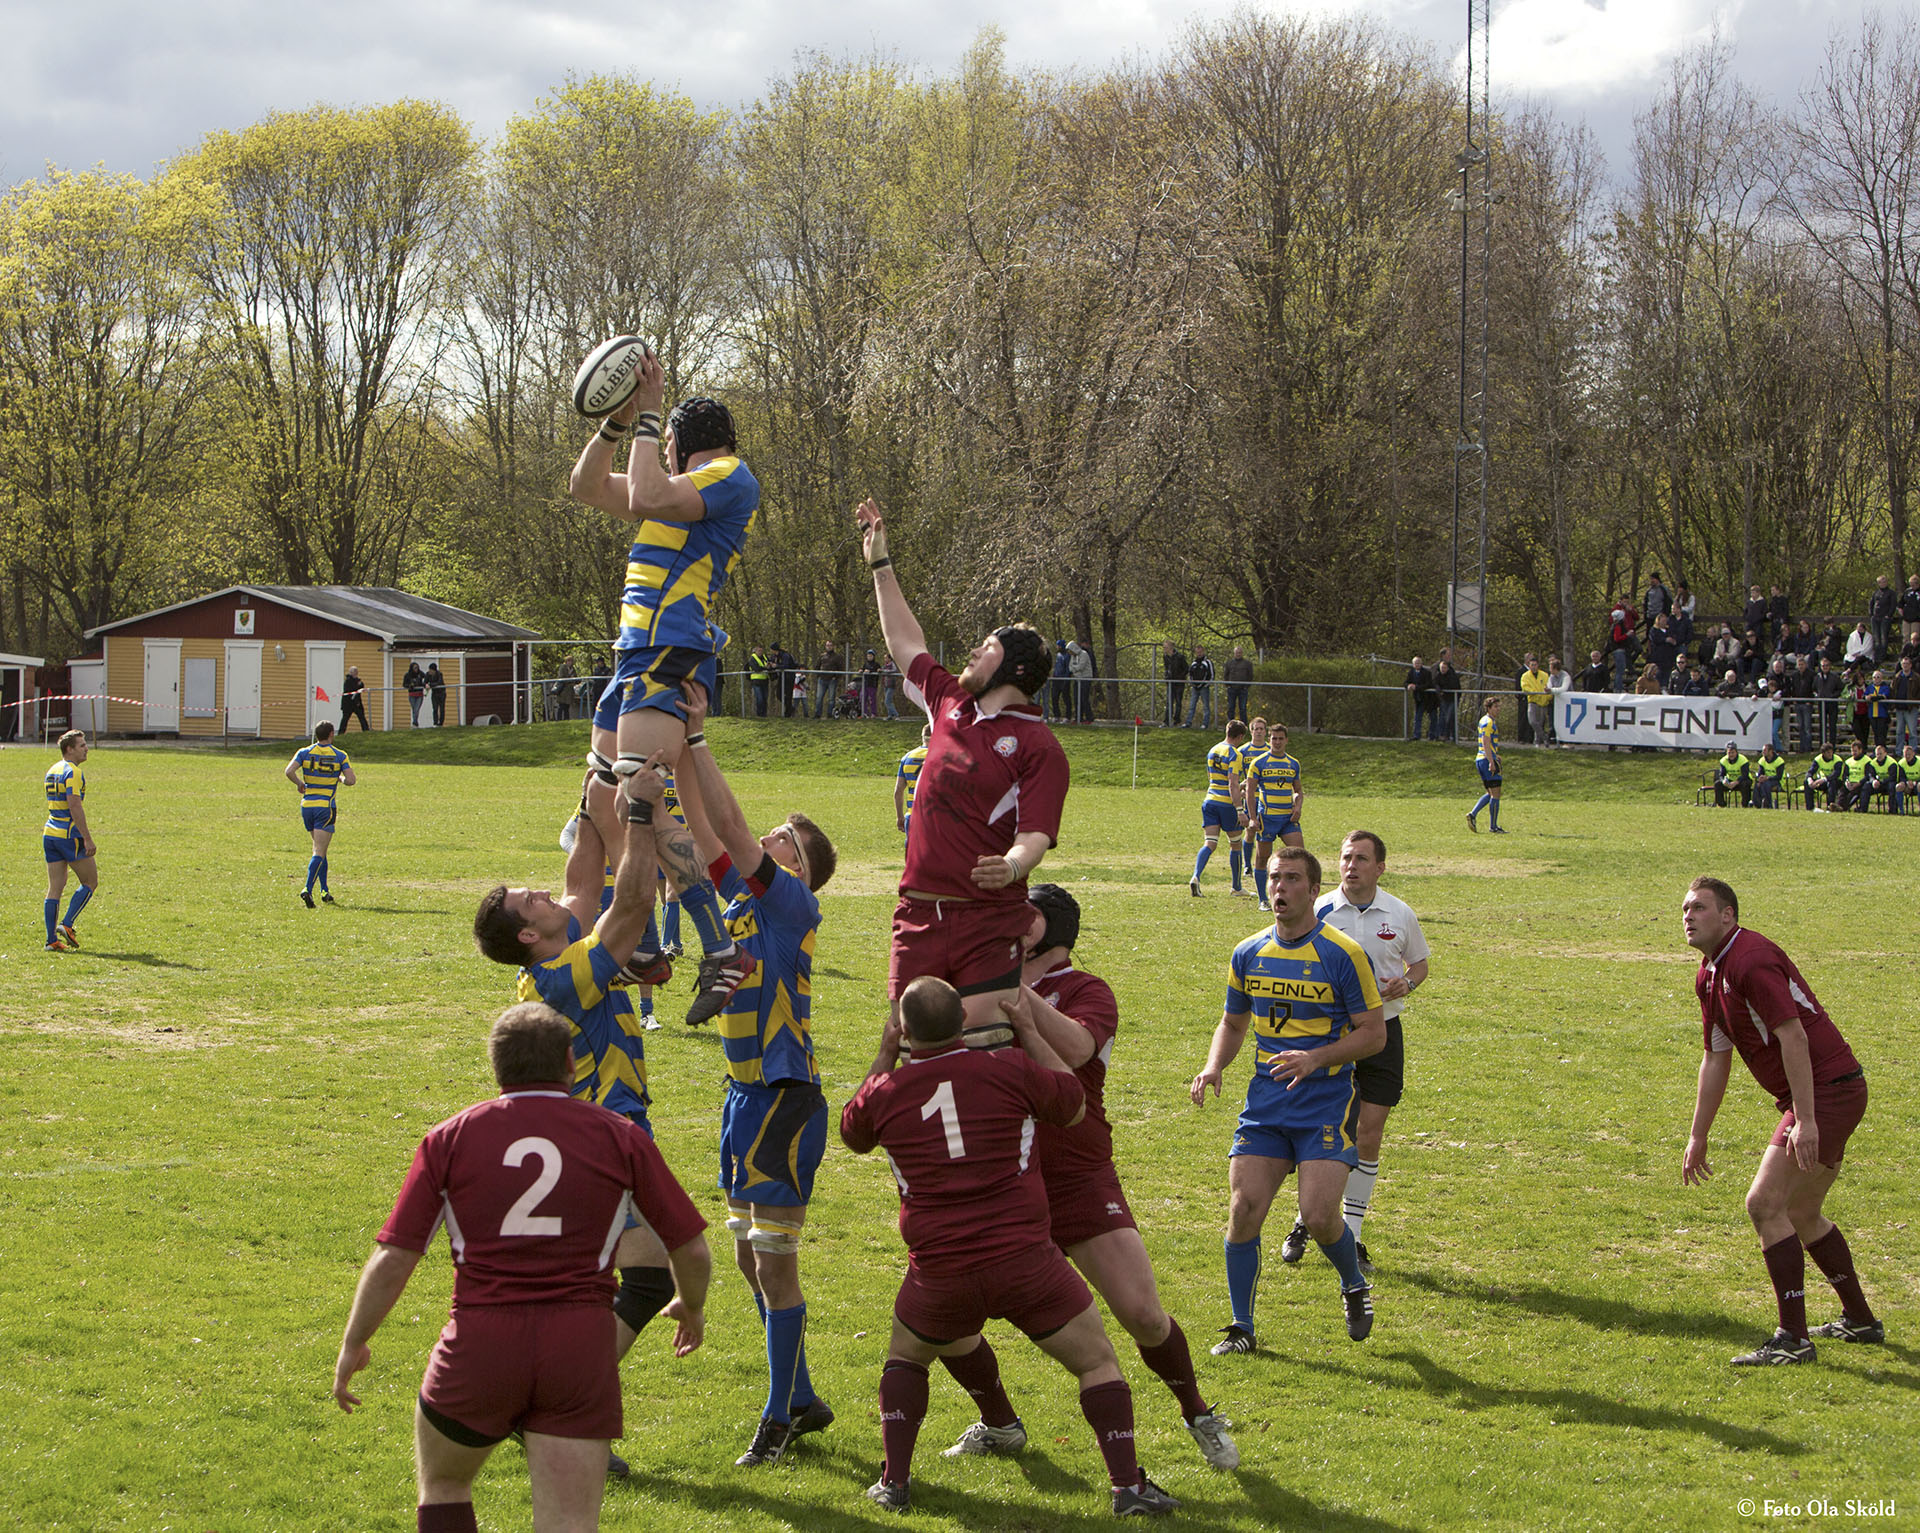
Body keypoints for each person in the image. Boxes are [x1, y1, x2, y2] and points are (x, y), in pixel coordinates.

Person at [330, 1002, 711, 1533]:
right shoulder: (620, 1135)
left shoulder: (450, 1138)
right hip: (579, 1351)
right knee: (569, 1522)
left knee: (444, 1489)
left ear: (497, 1067)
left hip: (480, 1344)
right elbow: (691, 1248)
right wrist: (691, 1306)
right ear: (570, 1063)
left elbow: (395, 1257)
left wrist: (355, 1341)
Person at [839, 976, 1179, 1516]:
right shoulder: (1009, 1068)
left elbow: (852, 1133)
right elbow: (1073, 1104)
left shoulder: (884, 1094)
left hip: (941, 1271)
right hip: (1026, 1262)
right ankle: (1126, 1487)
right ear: (964, 1021)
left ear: (903, 1030)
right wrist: (1030, 1031)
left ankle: (894, 1483)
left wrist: (884, 1054)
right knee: (1097, 1363)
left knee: (906, 1358)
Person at [938, 885, 1238, 1470]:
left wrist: (1014, 992)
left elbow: (1077, 1050)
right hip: (997, 1181)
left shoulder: (1085, 989)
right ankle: (999, 1422)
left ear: (1043, 928)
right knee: (942, 1314)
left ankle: (1198, 1413)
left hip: (1075, 1175)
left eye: (1017, 918)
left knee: (1143, 1314)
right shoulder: (979, 987)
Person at [672, 680, 839, 1466]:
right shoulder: (741, 898)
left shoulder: (793, 904)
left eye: (787, 838)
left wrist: (698, 738)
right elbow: (704, 826)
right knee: (747, 1254)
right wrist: (671, 752)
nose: (772, 835)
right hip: (741, 1097)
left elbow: (732, 827)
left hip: (783, 1099)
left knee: (776, 1264)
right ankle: (800, 1396)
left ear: (799, 868)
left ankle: (776, 1419)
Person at [566, 373, 759, 1024]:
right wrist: (616, 423)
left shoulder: (728, 474)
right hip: (635, 654)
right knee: (602, 797)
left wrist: (649, 415)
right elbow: (586, 486)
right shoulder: (674, 492)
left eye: (664, 439)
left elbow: (647, 489)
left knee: (643, 798)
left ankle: (720, 948)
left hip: (668, 649)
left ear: (677, 440)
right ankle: (645, 943)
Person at [856, 497, 1069, 1044]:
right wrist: (881, 565)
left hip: (986, 920)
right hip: (918, 914)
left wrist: (1013, 867)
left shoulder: (1038, 745)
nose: (973, 651)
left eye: (987, 646)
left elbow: (1034, 835)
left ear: (1014, 667)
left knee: (982, 1047)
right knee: (911, 1046)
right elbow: (906, 644)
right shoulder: (950, 702)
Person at [1190, 847, 1385, 1354]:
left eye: (1292, 878)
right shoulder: (1248, 951)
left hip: (1325, 1101)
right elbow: (1233, 1022)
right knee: (1243, 1210)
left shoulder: (1343, 955)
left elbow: (1373, 1034)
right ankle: (1242, 1328)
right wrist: (1214, 1065)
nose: (1279, 887)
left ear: (1314, 890)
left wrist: (1315, 1059)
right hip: (1267, 1102)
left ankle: (1353, 1283)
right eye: (1274, 877)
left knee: (1318, 1216)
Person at [1679, 878, 1881, 1365]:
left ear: (1728, 915)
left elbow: (1794, 1037)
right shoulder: (1709, 974)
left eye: (1699, 907)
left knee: (1765, 1204)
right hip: (1830, 1091)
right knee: (1802, 1212)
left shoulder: (1750, 959)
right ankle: (1859, 1321)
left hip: (1828, 1091)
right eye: (1684, 908)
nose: (1687, 916)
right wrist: (1698, 1135)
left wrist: (1805, 1120)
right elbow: (1716, 1058)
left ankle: (1793, 1339)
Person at [1272, 832, 1429, 1278]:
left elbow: (1419, 964)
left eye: (1361, 858)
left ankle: (1353, 1234)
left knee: (1368, 1132)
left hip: (1383, 1033)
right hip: (1330, 1035)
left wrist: (1406, 983)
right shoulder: (1318, 909)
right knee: (1324, 1130)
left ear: (1380, 867)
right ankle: (1307, 1218)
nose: (1351, 865)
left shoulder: (1399, 913)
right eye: (1345, 858)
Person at [285, 721, 356, 908]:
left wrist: (300, 783)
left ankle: (324, 891)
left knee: (320, 849)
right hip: (325, 807)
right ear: (331, 734)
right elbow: (351, 780)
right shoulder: (340, 755)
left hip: (307, 806)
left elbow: (289, 771)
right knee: (319, 851)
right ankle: (307, 889)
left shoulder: (304, 752)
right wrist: (340, 778)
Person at [41, 728, 98, 952]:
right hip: (68, 835)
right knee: (90, 881)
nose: (86, 749)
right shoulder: (72, 772)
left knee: (55, 887)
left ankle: (51, 941)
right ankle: (67, 924)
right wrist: (87, 838)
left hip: (50, 833)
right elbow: (74, 805)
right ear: (69, 749)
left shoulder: (52, 769)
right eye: (82, 745)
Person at [1243, 721, 1304, 911]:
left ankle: (1300, 897)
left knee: (1300, 856)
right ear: (1269, 740)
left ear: (1286, 740)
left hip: (1288, 819)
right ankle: (1263, 899)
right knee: (1263, 858)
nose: (1277, 742)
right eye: (1274, 738)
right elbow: (1250, 792)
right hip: (1267, 819)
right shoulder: (1258, 763)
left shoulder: (1293, 763)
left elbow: (1298, 790)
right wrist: (1253, 818)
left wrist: (1298, 807)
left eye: (1280, 739)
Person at [1189, 720, 1249, 898]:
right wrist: (1239, 809)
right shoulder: (1235, 754)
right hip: (1226, 804)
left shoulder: (1213, 750)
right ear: (1240, 736)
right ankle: (1236, 887)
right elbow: (1232, 783)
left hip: (1210, 801)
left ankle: (1196, 876)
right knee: (1236, 843)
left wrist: (1239, 788)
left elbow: (1213, 778)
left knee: (1210, 843)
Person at [1466, 695, 1505, 833]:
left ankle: (1472, 814)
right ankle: (1493, 827)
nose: (1498, 709)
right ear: (1488, 708)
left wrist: (1494, 755)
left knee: (1490, 793)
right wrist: (1491, 761)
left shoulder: (1484, 720)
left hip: (1481, 759)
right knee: (1496, 794)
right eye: (1495, 707)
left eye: (1499, 706)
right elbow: (1485, 742)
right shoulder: (1489, 722)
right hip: (1486, 760)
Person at [895, 724, 930, 854]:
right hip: (935, 816)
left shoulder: (907, 757)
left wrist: (900, 817)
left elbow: (898, 791)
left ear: (922, 737)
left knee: (912, 855)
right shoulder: (942, 756)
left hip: (912, 814)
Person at [1519, 655, 1550, 747]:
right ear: (1529, 665)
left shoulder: (1544, 675)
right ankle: (1544, 737)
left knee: (1540, 723)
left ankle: (1537, 742)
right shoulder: (1525, 676)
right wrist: (1534, 692)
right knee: (1532, 721)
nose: (1534, 667)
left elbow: (1548, 686)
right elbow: (1525, 687)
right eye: (1532, 665)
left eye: (1535, 665)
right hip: (1532, 701)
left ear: (1538, 665)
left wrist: (1548, 697)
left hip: (1543, 701)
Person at [1711, 743, 1752, 808]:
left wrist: (1736, 782)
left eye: (1733, 752)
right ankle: (1721, 805)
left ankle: (1745, 805)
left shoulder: (1743, 760)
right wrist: (1724, 781)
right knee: (1717, 784)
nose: (1731, 755)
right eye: (1729, 753)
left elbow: (1745, 775)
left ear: (1736, 752)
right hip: (1730, 781)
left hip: (1742, 780)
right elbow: (1721, 775)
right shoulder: (1723, 760)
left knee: (1745, 784)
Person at [1803, 744, 1842, 811]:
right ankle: (1810, 808)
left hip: (1836, 781)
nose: (1830, 754)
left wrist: (1824, 779)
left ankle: (1830, 808)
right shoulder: (1818, 759)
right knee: (1806, 782)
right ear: (1823, 753)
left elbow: (1836, 774)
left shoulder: (1837, 760)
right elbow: (1810, 772)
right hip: (1823, 782)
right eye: (1828, 752)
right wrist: (1810, 780)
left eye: (1831, 752)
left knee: (1832, 782)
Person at [1405, 656, 1435, 740]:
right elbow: (1406, 682)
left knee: (1432, 717)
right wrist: (1408, 686)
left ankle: (1432, 735)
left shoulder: (1427, 673)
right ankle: (1416, 735)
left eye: (1419, 663)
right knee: (1417, 717)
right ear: (1413, 664)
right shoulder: (1411, 672)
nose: (1417, 664)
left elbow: (1428, 684)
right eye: (1415, 663)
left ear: (1421, 664)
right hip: (1418, 698)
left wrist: (1417, 687)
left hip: (1428, 698)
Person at [1223, 645, 1254, 725]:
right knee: (1231, 707)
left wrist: (1246, 686)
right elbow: (1226, 675)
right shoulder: (1229, 663)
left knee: (1243, 708)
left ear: (1242, 653)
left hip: (1243, 689)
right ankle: (1230, 725)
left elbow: (1250, 676)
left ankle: (1243, 725)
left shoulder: (1247, 664)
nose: (1238, 654)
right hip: (1232, 689)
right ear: (1234, 653)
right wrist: (1228, 685)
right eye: (1237, 652)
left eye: (1240, 653)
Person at [1184, 645, 1214, 729]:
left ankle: (1205, 724)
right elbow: (1190, 675)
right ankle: (1188, 722)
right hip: (1194, 688)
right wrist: (1192, 684)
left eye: (1200, 652)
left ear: (1203, 651)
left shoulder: (1208, 662)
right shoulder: (1193, 663)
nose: (1199, 654)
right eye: (1197, 652)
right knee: (1192, 706)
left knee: (1206, 706)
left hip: (1204, 688)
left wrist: (1206, 685)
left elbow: (1211, 675)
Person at [1751, 744, 1788, 808]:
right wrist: (1760, 779)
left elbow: (1779, 776)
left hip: (1778, 781)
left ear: (1771, 751)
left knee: (1766, 784)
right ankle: (1757, 804)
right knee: (1757, 784)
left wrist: (1767, 778)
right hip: (1766, 780)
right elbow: (1760, 773)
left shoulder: (1779, 761)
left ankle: (1768, 804)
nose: (1763, 752)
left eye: (1765, 750)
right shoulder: (1762, 760)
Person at [1434, 652, 1461, 740]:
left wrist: (1443, 688)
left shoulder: (1452, 675)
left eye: (1444, 668)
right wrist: (1439, 690)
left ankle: (1451, 735)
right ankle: (1443, 735)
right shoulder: (1438, 675)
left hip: (1453, 699)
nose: (1443, 669)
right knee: (1443, 717)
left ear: (1447, 668)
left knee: (1450, 717)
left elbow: (1453, 685)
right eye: (1441, 668)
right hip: (1444, 699)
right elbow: (1435, 683)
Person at [1161, 640, 1187, 727]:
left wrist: (1180, 677)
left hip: (1179, 683)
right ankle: (1167, 721)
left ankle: (1177, 720)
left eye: (1165, 647)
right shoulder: (1165, 657)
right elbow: (1167, 668)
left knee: (1178, 702)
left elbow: (1186, 669)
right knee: (1169, 702)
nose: (1164, 649)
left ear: (1170, 647)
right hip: (1170, 682)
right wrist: (1166, 676)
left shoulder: (1180, 657)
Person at [812, 641, 841, 719]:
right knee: (819, 697)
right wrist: (818, 676)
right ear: (825, 646)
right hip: (822, 680)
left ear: (833, 646)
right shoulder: (822, 656)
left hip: (832, 680)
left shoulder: (837, 657)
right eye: (827, 645)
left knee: (831, 698)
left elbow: (841, 668)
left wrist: (836, 677)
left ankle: (830, 714)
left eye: (830, 645)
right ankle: (817, 714)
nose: (829, 647)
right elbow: (817, 666)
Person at [1069, 638, 1096, 723]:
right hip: (1077, 678)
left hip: (1085, 678)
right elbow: (1070, 667)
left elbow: (1081, 666)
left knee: (1084, 698)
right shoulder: (1073, 656)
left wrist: (1074, 668)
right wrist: (1075, 669)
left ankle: (1089, 717)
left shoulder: (1084, 654)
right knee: (1076, 698)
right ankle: (1078, 717)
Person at [748, 644, 772, 717]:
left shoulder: (765, 657)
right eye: (759, 650)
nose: (760, 652)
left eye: (761, 651)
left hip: (765, 680)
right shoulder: (752, 658)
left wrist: (769, 666)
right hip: (756, 681)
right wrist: (765, 667)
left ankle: (764, 714)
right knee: (759, 699)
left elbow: (769, 665)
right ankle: (759, 714)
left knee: (765, 698)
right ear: (755, 651)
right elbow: (756, 668)